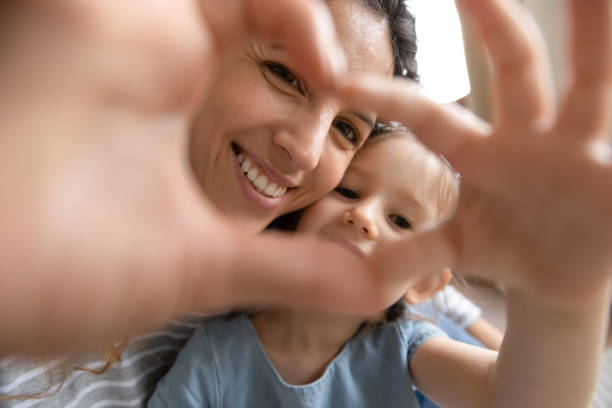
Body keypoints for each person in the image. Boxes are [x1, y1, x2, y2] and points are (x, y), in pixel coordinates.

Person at [1, 1, 419, 407]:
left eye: (345, 128)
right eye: (284, 75)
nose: (307, 152)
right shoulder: (30, 201)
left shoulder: (269, 300)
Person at [147, 127, 607, 408]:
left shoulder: (407, 348)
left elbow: (527, 397)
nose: (363, 217)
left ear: (425, 282)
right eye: (348, 192)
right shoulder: (214, 358)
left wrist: (563, 293)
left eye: (401, 221)